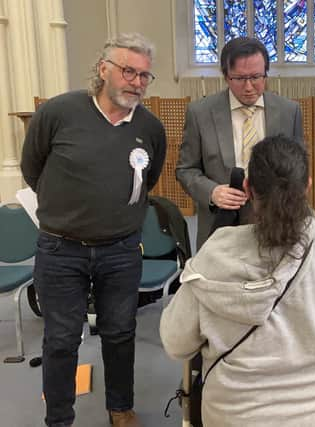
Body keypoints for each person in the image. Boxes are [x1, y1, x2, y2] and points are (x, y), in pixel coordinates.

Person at [160, 135, 315, 426]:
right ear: (308, 187)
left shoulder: (214, 254)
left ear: (247, 189)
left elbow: (176, 343)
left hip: (235, 414)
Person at [20, 33, 166, 427]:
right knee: (62, 340)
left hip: (120, 251)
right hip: (60, 250)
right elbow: (32, 168)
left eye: (145, 75)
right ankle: (59, 419)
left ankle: (120, 408)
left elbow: (148, 179)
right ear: (103, 69)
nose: (136, 82)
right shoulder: (59, 112)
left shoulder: (150, 128)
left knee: (120, 333)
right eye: (128, 71)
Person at [176, 36, 303, 249]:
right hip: (220, 225)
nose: (249, 87)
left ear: (266, 73)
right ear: (226, 76)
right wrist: (212, 192)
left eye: (256, 77)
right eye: (240, 78)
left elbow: (298, 168)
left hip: (274, 222)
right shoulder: (200, 113)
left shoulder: (289, 111)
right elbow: (186, 170)